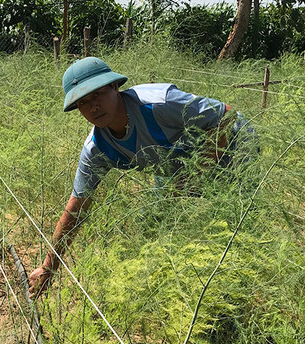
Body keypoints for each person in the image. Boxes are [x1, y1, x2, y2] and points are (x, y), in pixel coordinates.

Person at [28, 56, 254, 299]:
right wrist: (49, 265)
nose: (93, 106)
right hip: (175, 163)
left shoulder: (158, 104)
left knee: (230, 217)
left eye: (97, 95)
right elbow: (77, 206)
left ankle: (237, 289)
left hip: (233, 143)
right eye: (83, 102)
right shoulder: (97, 149)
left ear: (115, 87)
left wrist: (194, 175)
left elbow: (227, 116)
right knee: (153, 222)